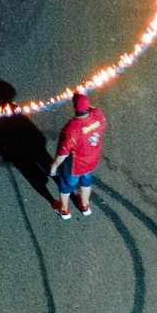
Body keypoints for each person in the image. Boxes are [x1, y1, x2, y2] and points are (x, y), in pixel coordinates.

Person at [51, 92, 107, 220]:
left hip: (75, 167)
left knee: (66, 186)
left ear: (74, 109)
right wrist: (83, 101)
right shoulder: (98, 115)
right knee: (86, 181)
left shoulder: (72, 129)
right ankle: (84, 205)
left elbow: (63, 153)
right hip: (91, 161)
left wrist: (54, 166)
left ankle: (64, 210)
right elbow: (93, 112)